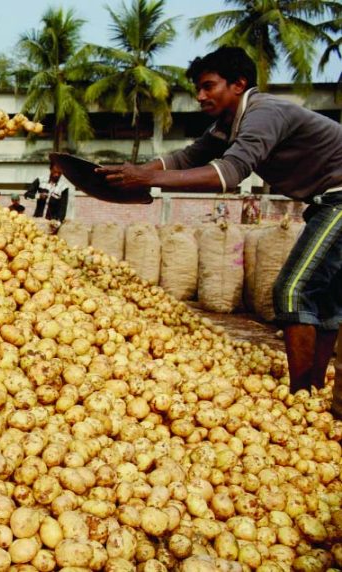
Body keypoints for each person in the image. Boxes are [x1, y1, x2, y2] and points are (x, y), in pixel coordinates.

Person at [97, 46, 342, 416]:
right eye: (198, 88)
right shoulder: (229, 124)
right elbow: (188, 157)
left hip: (339, 199)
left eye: (208, 86)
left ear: (238, 84)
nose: (200, 96)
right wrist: (134, 173)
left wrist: (149, 179)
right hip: (327, 201)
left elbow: (229, 172)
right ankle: (314, 393)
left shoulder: (263, 113)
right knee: (323, 298)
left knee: (293, 290)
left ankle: (301, 397)